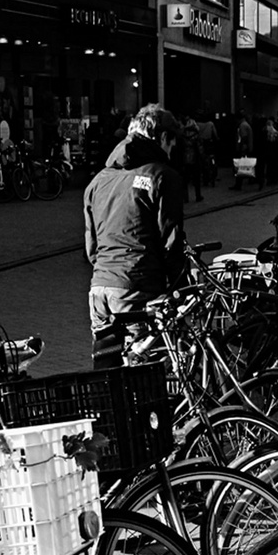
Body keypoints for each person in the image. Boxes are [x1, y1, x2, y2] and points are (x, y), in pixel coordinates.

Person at [83, 104, 187, 369]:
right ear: (163, 138)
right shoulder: (163, 176)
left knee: (108, 373)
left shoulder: (99, 180)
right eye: (172, 143)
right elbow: (171, 241)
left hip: (100, 289)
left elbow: (92, 247)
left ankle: (106, 411)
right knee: (145, 375)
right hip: (137, 288)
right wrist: (182, 290)